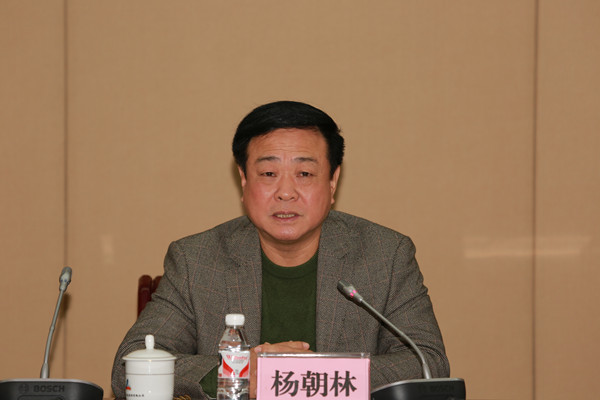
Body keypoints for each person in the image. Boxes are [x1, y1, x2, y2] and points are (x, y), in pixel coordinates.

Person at [111, 100, 450, 399]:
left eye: (304, 173)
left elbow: (427, 362)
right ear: (244, 180)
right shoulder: (197, 260)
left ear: (332, 181)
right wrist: (239, 374)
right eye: (269, 173)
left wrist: (310, 377)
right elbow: (129, 366)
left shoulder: (385, 255)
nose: (286, 192)